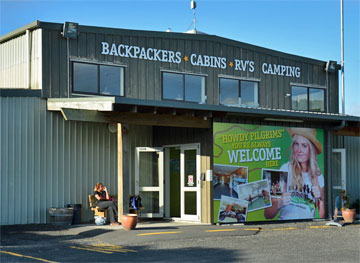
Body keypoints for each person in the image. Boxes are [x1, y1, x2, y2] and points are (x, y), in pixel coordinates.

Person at [265, 128, 325, 220]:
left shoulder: (318, 175)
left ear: (311, 150)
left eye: (304, 146)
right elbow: (267, 214)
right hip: (285, 225)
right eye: (296, 144)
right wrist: (280, 203)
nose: (299, 150)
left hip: (307, 227)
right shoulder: (284, 169)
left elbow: (323, 216)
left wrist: (320, 198)